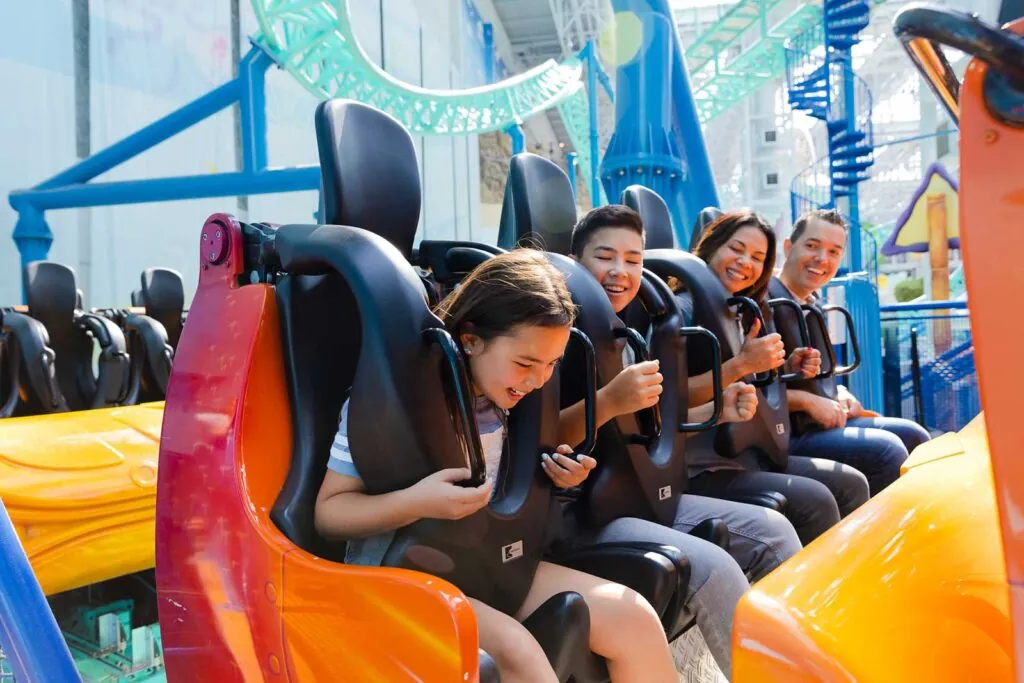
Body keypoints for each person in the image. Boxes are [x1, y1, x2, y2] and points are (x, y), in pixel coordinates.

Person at [314, 250, 679, 683]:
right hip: (404, 573)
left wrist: (557, 471)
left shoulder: (506, 394)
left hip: (486, 557)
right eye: (525, 363)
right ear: (469, 339)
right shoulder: (391, 402)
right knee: (515, 651)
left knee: (632, 615)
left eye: (551, 365)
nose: (537, 380)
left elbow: (529, 450)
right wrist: (417, 503)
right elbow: (329, 515)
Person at [561, 204, 802, 584]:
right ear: (574, 262)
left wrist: (718, 411)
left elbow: (650, 429)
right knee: (722, 566)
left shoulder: (630, 335)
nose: (619, 271)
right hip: (596, 504)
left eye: (632, 260)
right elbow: (539, 440)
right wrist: (609, 401)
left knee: (776, 530)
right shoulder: (564, 335)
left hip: (646, 488)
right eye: (605, 257)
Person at [678, 209, 871, 544]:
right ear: (711, 247)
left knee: (849, 482)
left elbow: (751, 385)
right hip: (704, 463)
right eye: (736, 249)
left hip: (747, 450)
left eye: (756, 257)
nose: (744, 262)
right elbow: (670, 397)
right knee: (818, 500)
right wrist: (742, 365)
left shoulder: (740, 311)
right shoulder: (683, 309)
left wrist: (785, 369)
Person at [774, 208, 931, 495]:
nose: (823, 259)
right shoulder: (767, 301)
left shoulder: (813, 303)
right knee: (887, 450)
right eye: (812, 246)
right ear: (788, 247)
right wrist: (808, 402)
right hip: (788, 433)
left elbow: (821, 377)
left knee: (915, 435)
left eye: (834, 252)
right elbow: (757, 386)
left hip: (820, 422)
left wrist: (839, 394)